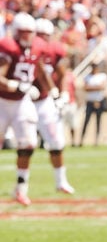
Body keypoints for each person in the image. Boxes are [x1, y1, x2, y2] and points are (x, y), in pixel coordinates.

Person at [0, 12, 55, 205]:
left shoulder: (38, 47)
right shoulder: (8, 47)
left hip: (22, 102)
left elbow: (40, 70)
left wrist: (53, 92)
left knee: (28, 143)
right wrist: (16, 85)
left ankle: (21, 188)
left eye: (30, 33)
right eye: (24, 33)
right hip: (2, 101)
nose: (27, 37)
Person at [33, 18, 75, 194]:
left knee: (56, 141)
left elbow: (62, 73)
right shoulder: (26, 48)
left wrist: (63, 93)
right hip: (20, 99)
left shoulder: (55, 49)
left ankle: (61, 181)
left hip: (43, 101)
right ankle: (21, 185)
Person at [80, 61, 107, 146]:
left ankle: (96, 140)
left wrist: (91, 87)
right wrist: (97, 87)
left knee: (98, 122)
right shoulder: (87, 77)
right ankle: (82, 140)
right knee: (86, 121)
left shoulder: (102, 76)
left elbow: (103, 87)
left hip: (99, 101)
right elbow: (85, 88)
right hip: (90, 102)